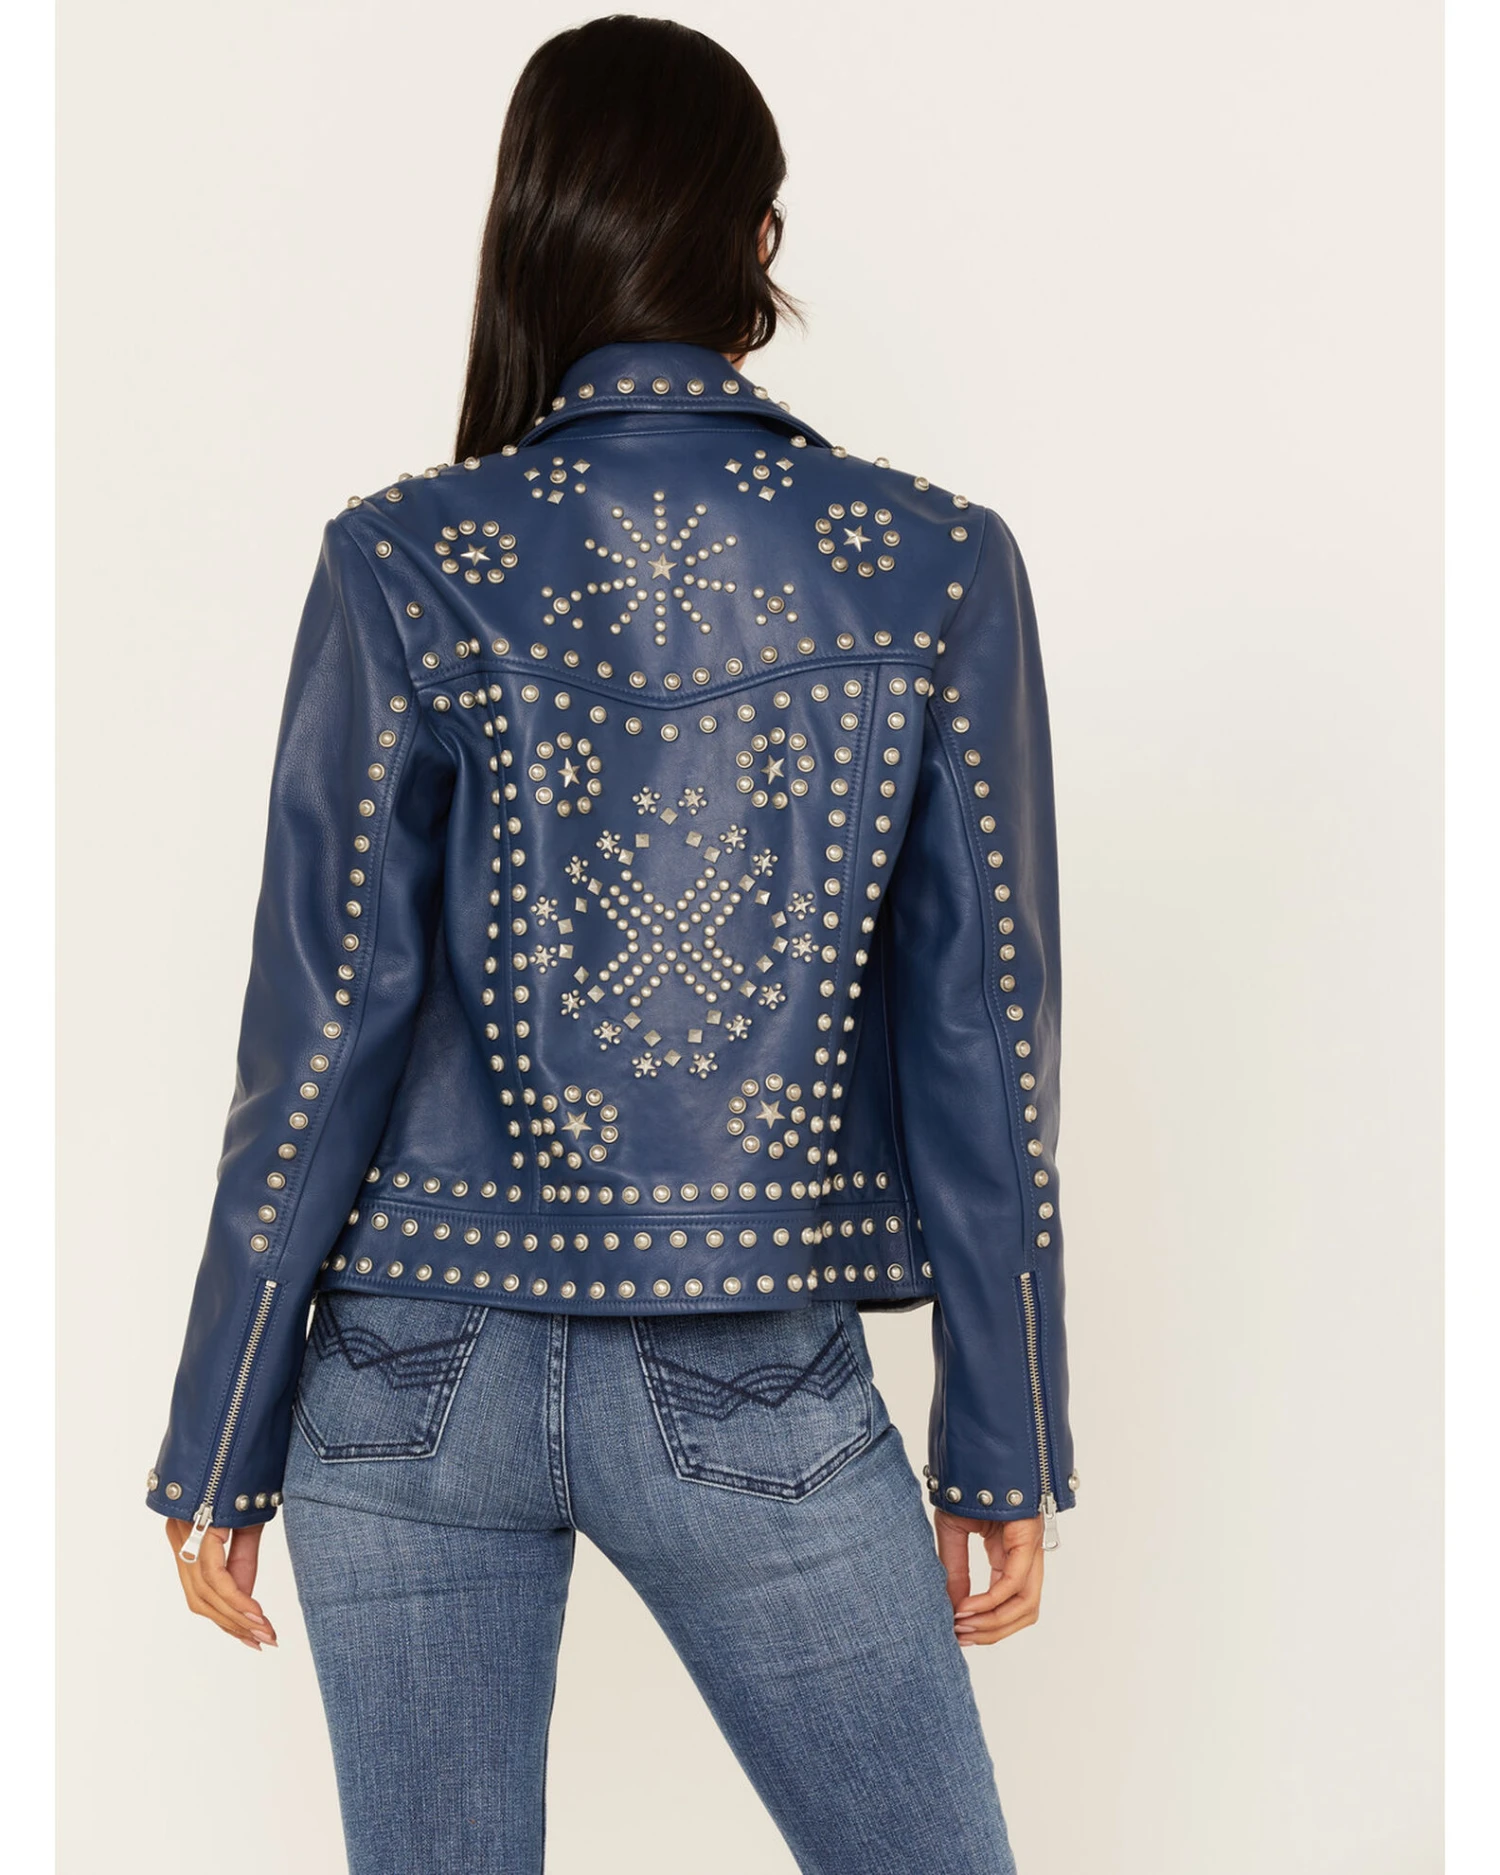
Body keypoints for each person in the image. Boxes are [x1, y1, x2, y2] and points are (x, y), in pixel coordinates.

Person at [145, 15, 1077, 1873]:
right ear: (755, 242)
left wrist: (221, 1425)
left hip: (403, 1372)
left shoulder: (406, 554)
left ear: (533, 232)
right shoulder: (932, 562)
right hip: (745, 1369)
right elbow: (982, 1033)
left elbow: (319, 1025)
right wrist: (1005, 1426)